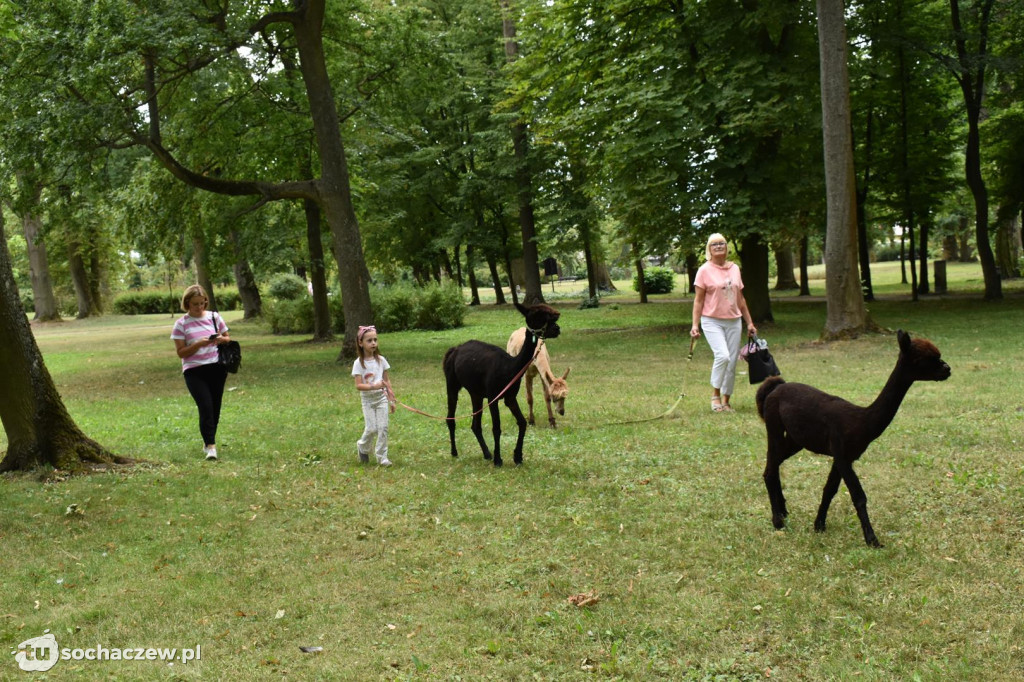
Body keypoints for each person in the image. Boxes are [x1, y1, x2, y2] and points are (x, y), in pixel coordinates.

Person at [690, 234, 757, 412]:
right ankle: (715, 396)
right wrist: (695, 325)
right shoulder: (704, 270)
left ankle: (726, 400)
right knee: (723, 356)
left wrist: (749, 323)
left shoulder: (735, 268)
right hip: (712, 320)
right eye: (714, 244)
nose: (719, 246)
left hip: (734, 321)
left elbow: (740, 299)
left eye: (722, 243)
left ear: (727, 248)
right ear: (709, 249)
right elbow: (698, 301)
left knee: (732, 362)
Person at [171, 285, 232, 460]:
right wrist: (199, 343)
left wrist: (222, 339)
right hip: (194, 370)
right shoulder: (181, 324)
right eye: (195, 304)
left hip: (217, 367)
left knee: (215, 407)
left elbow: (228, 338)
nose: (199, 307)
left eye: (202, 303)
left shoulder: (214, 317)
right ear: (187, 303)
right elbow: (181, 352)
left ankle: (208, 440)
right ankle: (211, 447)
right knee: (205, 406)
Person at [351, 325, 395, 466]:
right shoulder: (358, 364)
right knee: (371, 428)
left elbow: (386, 380)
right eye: (369, 340)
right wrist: (373, 386)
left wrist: (391, 399)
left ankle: (382, 457)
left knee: (383, 428)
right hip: (368, 400)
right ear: (361, 343)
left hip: (381, 399)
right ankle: (362, 447)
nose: (373, 343)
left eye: (375, 340)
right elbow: (358, 385)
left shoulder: (381, 360)